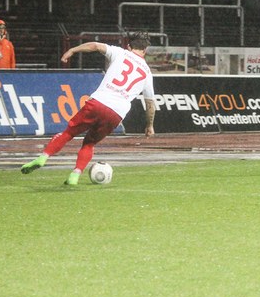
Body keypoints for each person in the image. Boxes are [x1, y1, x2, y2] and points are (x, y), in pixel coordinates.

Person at [20, 32, 157, 186]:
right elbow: (150, 104)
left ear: (129, 46)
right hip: (117, 113)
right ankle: (75, 175)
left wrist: (73, 50)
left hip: (99, 102)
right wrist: (149, 125)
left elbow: (95, 46)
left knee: (68, 133)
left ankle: (43, 157)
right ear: (145, 50)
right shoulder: (147, 73)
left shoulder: (120, 52)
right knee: (89, 144)